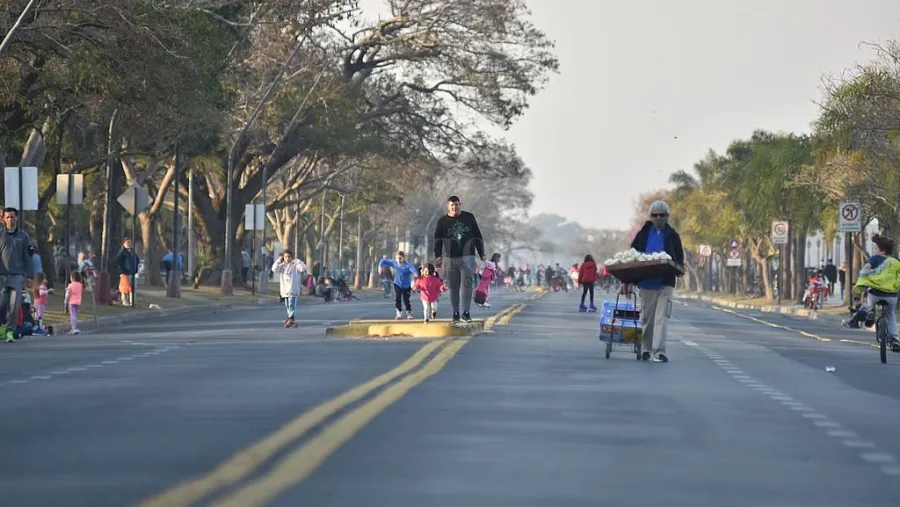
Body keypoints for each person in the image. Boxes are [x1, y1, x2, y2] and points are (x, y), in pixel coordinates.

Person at [629, 200, 685, 363]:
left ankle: (659, 351)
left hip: (665, 282)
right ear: (651, 216)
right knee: (647, 318)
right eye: (655, 215)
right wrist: (629, 279)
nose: (659, 218)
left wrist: (677, 268)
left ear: (667, 216)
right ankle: (646, 349)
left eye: (662, 215)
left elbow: (679, 259)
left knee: (662, 318)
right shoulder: (643, 234)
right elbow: (632, 255)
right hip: (647, 282)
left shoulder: (673, 235)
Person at [842, 235, 900, 352]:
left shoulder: (874, 259)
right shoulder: (895, 262)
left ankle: (871, 311)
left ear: (880, 249)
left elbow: (864, 271)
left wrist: (861, 284)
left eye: (876, 248)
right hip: (891, 295)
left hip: (875, 293)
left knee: (870, 300)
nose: (875, 250)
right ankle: (895, 339)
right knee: (890, 315)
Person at [434, 196, 485, 323]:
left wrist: (482, 253)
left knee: (467, 284)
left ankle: (466, 313)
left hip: (468, 256)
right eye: (452, 205)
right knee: (453, 286)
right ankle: (455, 313)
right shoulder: (442, 221)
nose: (454, 207)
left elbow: (477, 235)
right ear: (448, 206)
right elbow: (437, 239)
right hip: (450, 257)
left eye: (456, 204)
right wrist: (438, 255)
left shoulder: (469, 217)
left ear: (460, 205)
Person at [0, 208, 35, 342]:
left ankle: (10, 331)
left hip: (17, 275)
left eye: (12, 217)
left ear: (17, 218)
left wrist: (30, 276)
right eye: (7, 217)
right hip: (2, 275)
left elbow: (28, 256)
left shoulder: (23, 236)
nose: (10, 220)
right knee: (2, 304)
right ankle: (3, 327)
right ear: (3, 219)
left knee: (14, 305)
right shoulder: (1, 235)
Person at [272, 249, 307, 328]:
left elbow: (303, 268)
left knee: (291, 304)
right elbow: (274, 269)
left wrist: (298, 261)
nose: (287, 258)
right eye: (286, 257)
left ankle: (290, 318)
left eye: (289, 257)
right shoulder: (282, 266)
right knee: (287, 305)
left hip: (293, 289)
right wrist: (279, 260)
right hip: (285, 289)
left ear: (292, 257)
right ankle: (290, 318)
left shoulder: (295, 265)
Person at [379, 251, 418, 320]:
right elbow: (383, 261)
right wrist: (380, 267)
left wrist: (415, 274)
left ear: (403, 258)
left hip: (406, 286)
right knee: (397, 299)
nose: (398, 260)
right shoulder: (394, 263)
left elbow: (413, 270)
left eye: (400, 258)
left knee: (406, 300)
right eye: (397, 258)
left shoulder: (408, 265)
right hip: (397, 284)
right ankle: (398, 313)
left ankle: (409, 313)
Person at [116, 238, 139, 306]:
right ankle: (125, 301)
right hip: (125, 273)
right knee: (125, 288)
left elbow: (137, 260)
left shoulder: (132, 252)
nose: (129, 244)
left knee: (133, 288)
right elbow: (118, 263)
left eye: (130, 243)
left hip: (132, 273)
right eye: (127, 243)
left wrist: (136, 269)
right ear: (123, 244)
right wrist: (121, 272)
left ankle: (133, 302)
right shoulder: (122, 252)